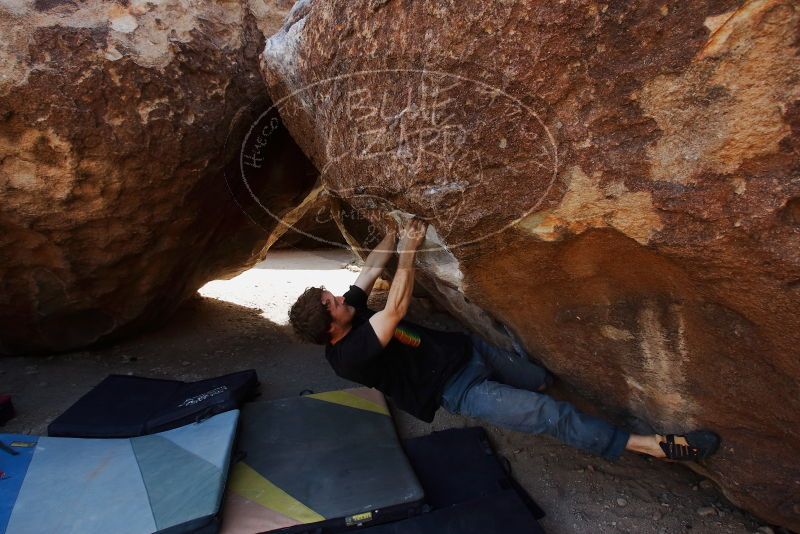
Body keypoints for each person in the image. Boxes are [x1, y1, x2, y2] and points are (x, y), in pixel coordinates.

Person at [288, 218, 720, 462]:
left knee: (539, 379)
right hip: (459, 389)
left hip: (468, 352)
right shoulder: (348, 356)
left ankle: (575, 405)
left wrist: (393, 231)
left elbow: (369, 269)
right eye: (333, 301)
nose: (342, 296)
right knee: (548, 413)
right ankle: (651, 446)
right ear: (331, 327)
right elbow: (395, 309)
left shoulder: (348, 310)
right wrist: (411, 250)